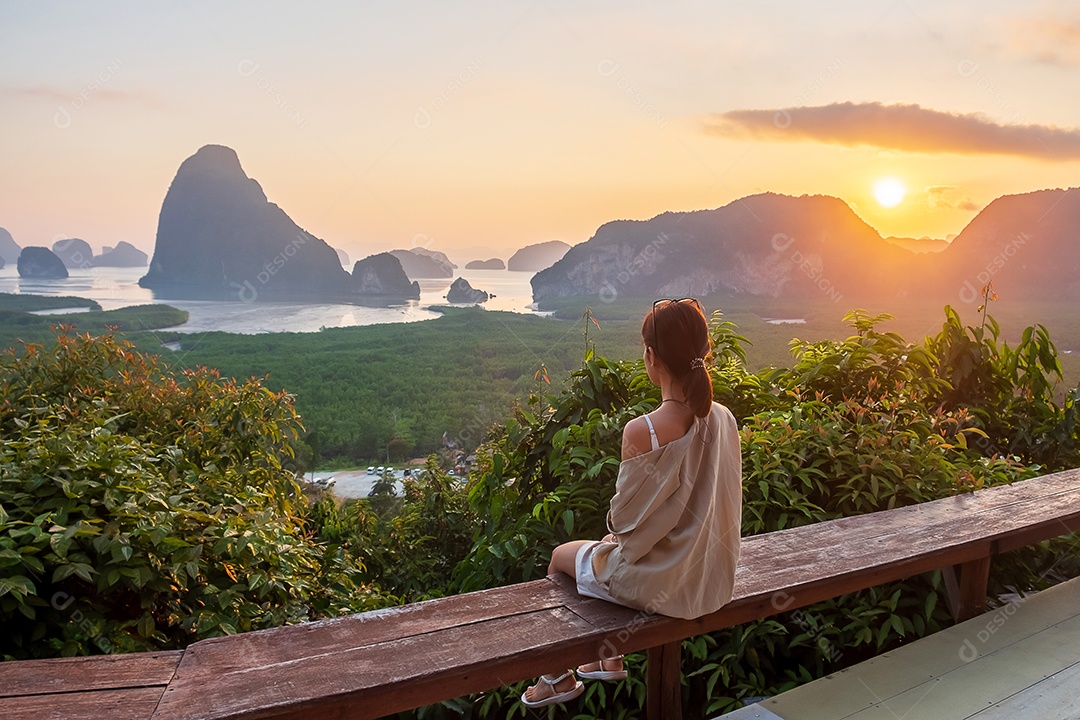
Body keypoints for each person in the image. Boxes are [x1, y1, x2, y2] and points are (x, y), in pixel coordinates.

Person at [522, 298, 743, 708]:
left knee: (559, 557)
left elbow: (623, 521)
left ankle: (556, 677)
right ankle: (604, 657)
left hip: (663, 584)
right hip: (713, 579)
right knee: (606, 547)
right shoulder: (725, 418)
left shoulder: (644, 431)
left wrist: (616, 537)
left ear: (651, 356)